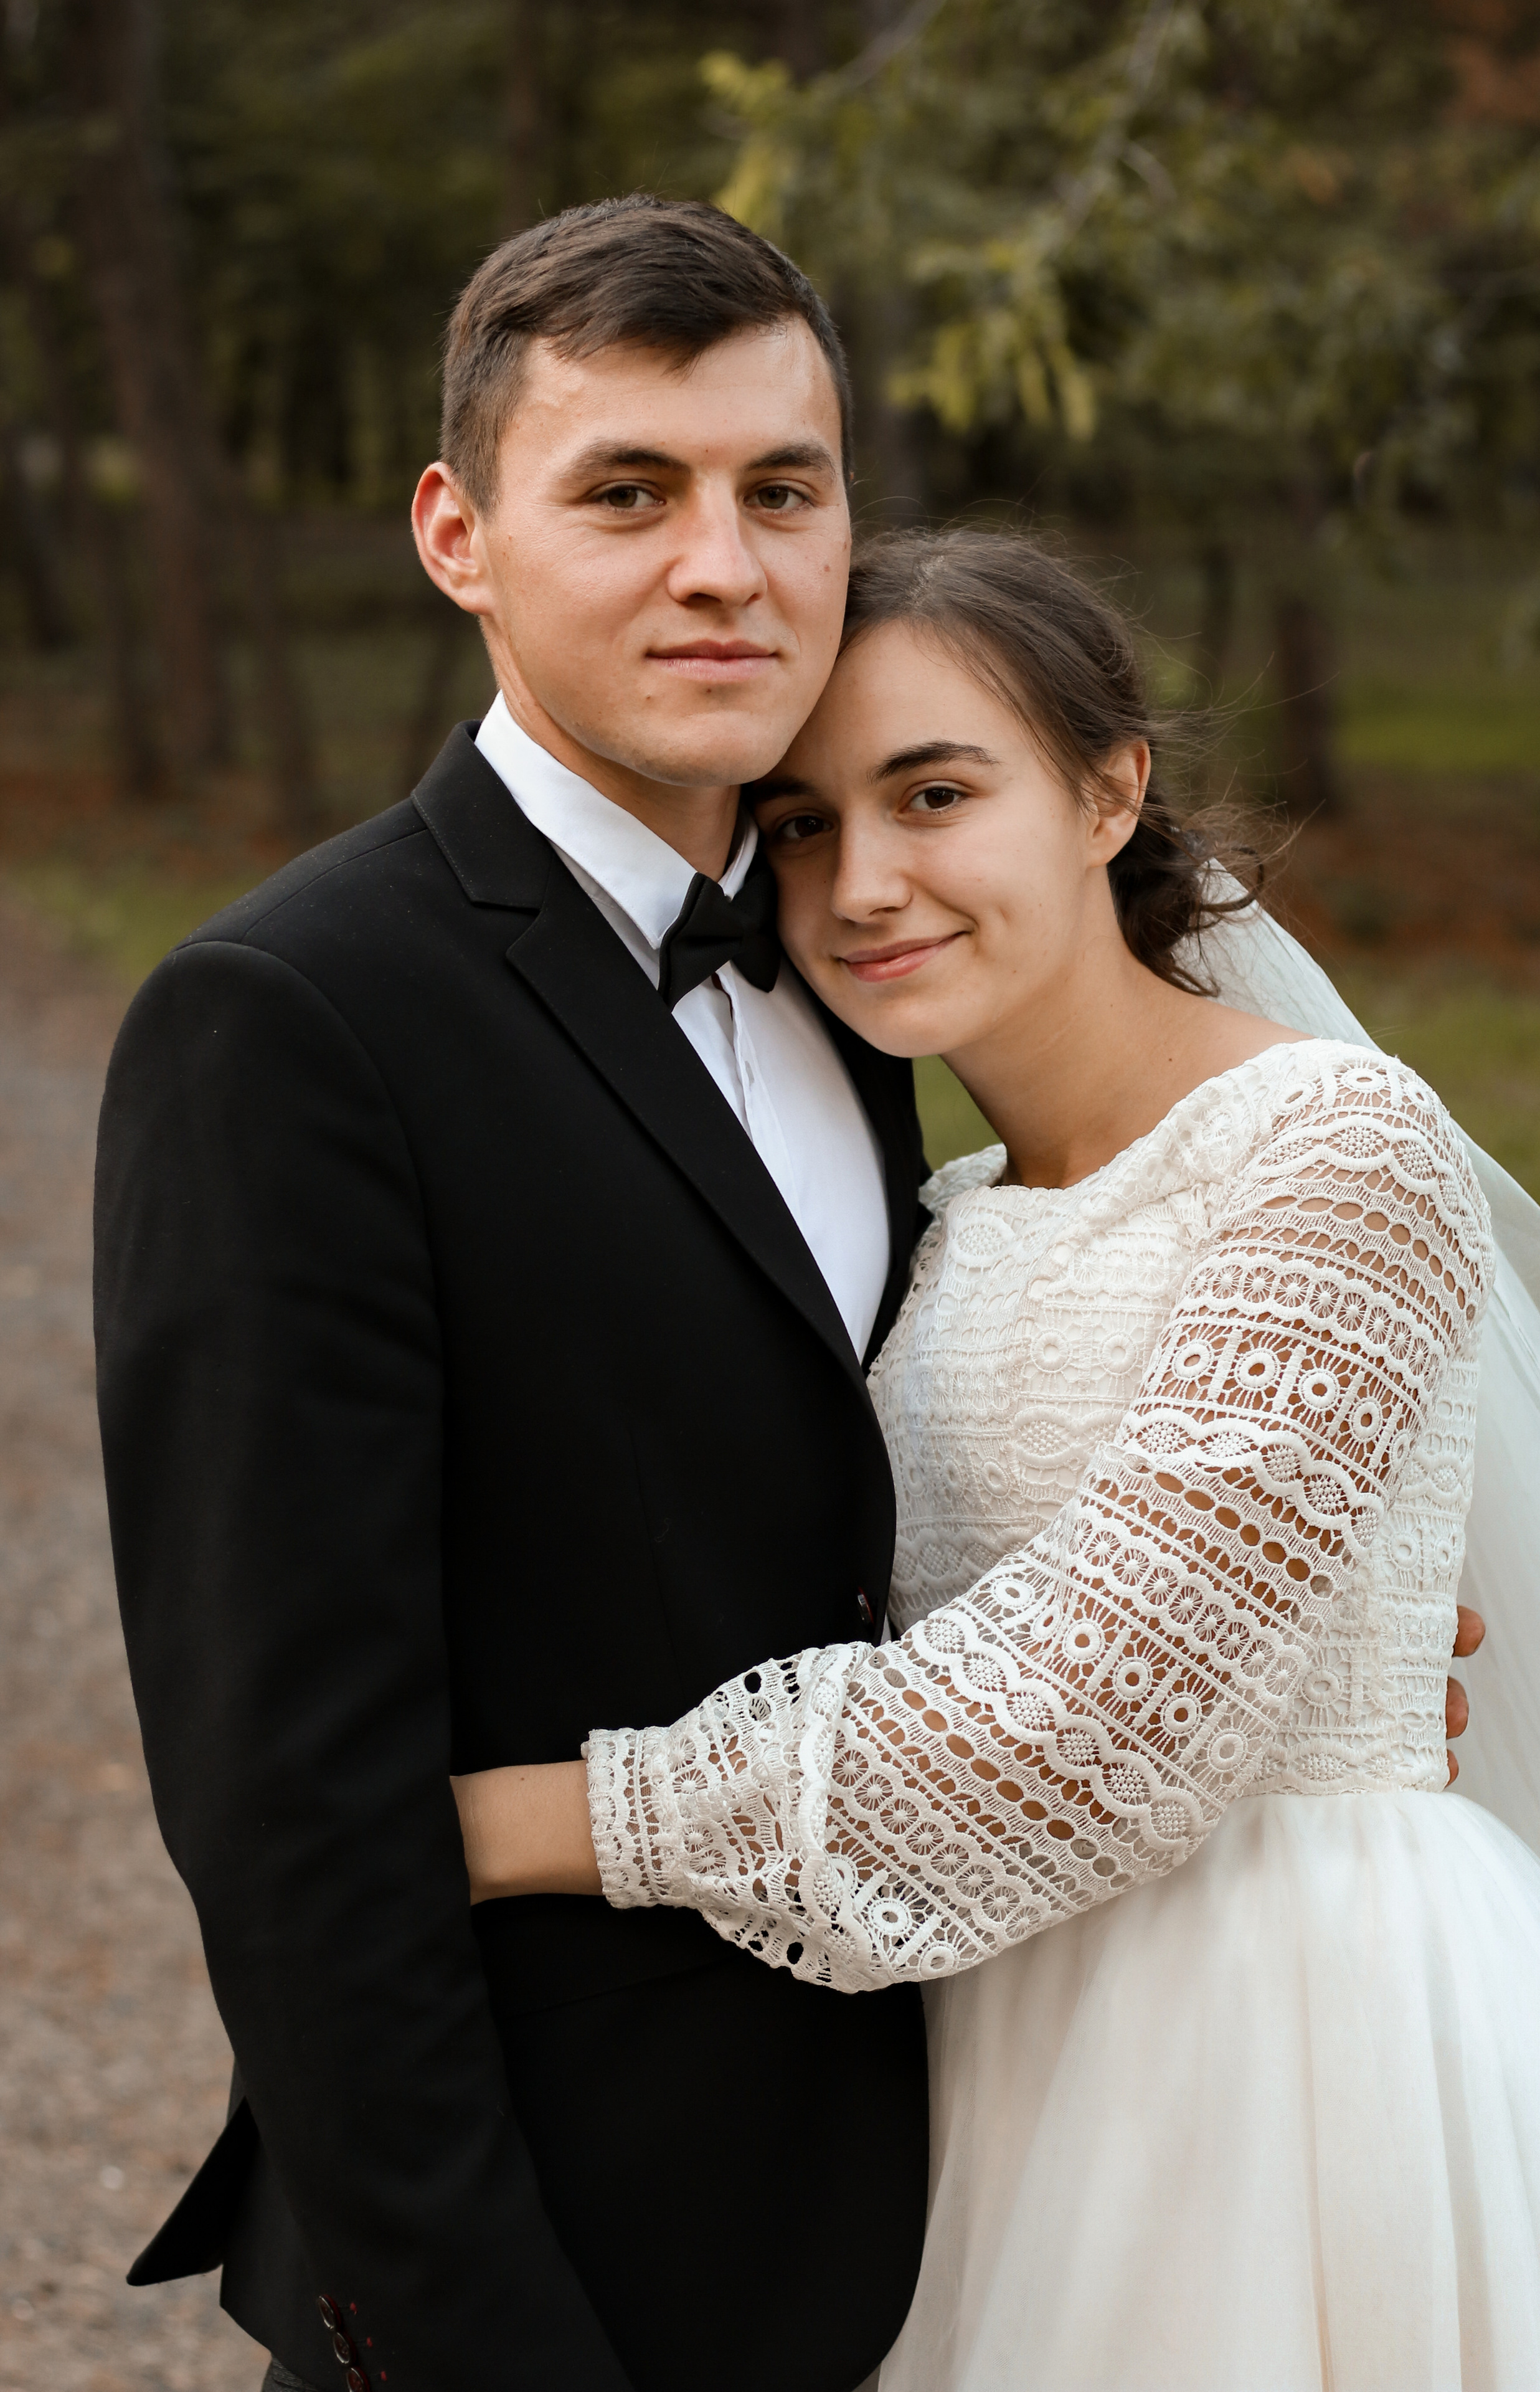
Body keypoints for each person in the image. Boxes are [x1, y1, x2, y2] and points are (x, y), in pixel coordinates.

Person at [453, 530, 1540, 2389]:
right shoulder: (944, 1216)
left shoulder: (1332, 1149)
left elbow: (1094, 1718)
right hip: (980, 2028)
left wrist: (504, 1826)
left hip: (1283, 2051)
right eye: (801, 826)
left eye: (935, 794)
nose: (862, 885)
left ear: (1106, 791)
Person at [94, 198, 934, 2392]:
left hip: (941, 2209)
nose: (725, 566)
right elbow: (297, 1810)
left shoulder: (875, 957)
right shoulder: (289, 1021)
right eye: (629, 493)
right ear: (458, 536)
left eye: (783, 490)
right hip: (565, 2257)